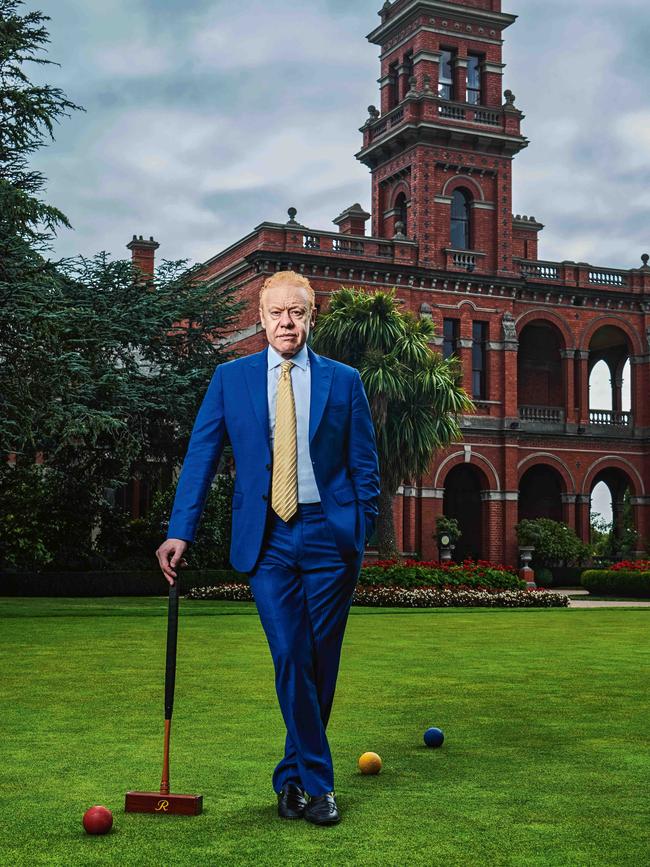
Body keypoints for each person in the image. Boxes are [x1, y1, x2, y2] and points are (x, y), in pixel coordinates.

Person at [156, 270, 380, 826]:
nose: (286, 322)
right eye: (276, 312)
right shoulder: (230, 380)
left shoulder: (344, 381)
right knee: (289, 655)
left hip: (331, 536)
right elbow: (202, 456)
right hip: (267, 538)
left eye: (297, 313)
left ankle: (292, 780)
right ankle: (320, 785)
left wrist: (360, 525)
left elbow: (364, 465)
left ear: (310, 318)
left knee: (319, 662)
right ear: (261, 318)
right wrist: (180, 529)